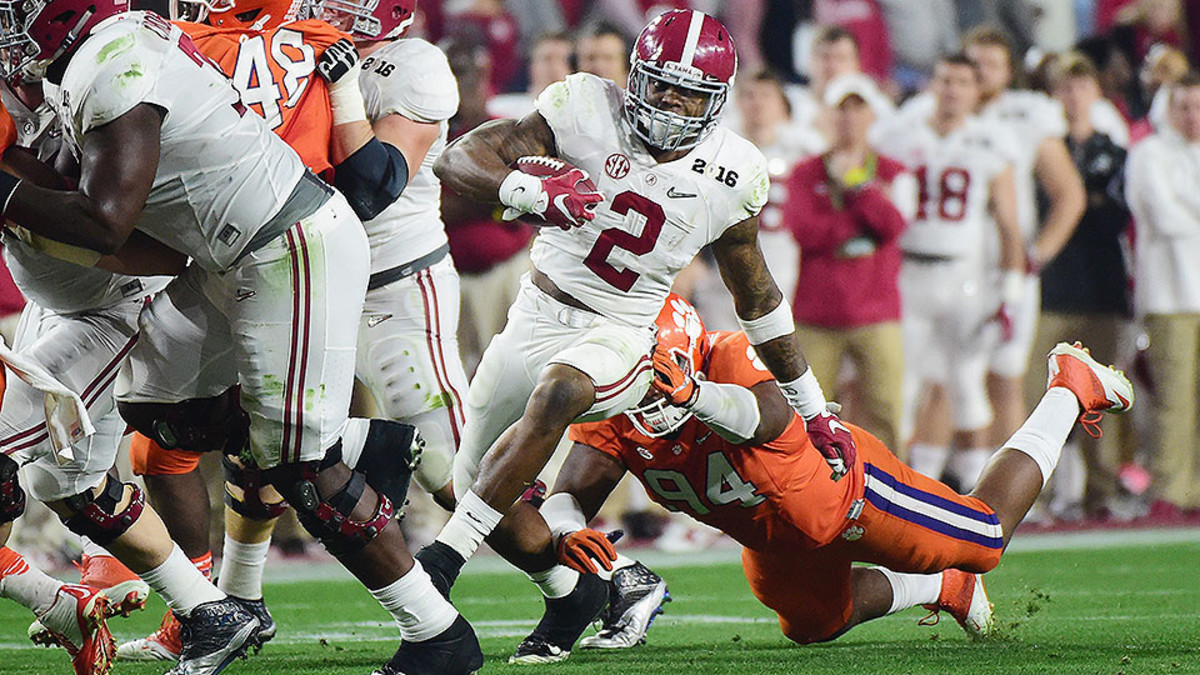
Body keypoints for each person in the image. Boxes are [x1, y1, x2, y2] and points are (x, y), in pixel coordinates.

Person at [0, 4, 479, 675]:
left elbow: (105, 221)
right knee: (156, 412)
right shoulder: (100, 56)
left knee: (300, 467)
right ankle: (360, 443)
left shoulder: (115, 63)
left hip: (288, 245)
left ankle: (438, 633)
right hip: (227, 257)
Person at [418, 6, 856, 661]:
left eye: (690, 90)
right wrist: (530, 191)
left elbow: (756, 295)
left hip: (625, 328)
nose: (671, 101)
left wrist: (810, 406)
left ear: (717, 100)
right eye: (661, 82)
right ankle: (584, 591)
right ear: (637, 74)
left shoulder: (732, 172)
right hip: (535, 311)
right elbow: (460, 158)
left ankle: (443, 560)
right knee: (469, 476)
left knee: (558, 393)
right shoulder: (584, 105)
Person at [534, 294, 1134, 648]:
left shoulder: (726, 356)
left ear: (689, 359)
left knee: (984, 538)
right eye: (641, 386)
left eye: (662, 380)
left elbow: (767, 418)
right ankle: (940, 586)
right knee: (812, 624)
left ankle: (1069, 389)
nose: (653, 401)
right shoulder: (614, 409)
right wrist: (567, 532)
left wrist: (694, 396)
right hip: (773, 533)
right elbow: (571, 493)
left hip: (848, 491)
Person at [873, 54, 1024, 489]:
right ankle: (909, 488)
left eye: (962, 82)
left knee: (966, 385)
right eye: (945, 79)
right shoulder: (900, 135)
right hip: (909, 273)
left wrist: (1011, 293)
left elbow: (1009, 224)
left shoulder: (991, 143)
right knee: (902, 388)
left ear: (977, 91)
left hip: (966, 278)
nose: (952, 90)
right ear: (932, 84)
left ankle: (980, 493)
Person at [962, 28, 1085, 456]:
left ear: (1009, 72)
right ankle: (952, 488)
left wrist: (1039, 253)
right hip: (952, 266)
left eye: (991, 65)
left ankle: (1004, 494)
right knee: (947, 379)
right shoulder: (939, 110)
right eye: (974, 63)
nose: (980, 74)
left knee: (1004, 377)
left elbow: (1069, 193)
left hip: (1005, 265)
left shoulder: (1027, 116)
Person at [787, 73, 909, 450]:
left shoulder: (893, 170)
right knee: (807, 413)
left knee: (886, 409)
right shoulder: (805, 173)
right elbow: (805, 231)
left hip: (877, 312)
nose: (849, 119)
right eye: (842, 110)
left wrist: (855, 190)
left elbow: (894, 225)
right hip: (817, 313)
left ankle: (894, 495)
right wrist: (862, 216)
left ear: (872, 115)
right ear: (827, 116)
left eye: (858, 109)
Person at [1034, 54, 1132, 520]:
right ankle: (1043, 495)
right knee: (1044, 394)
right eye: (1065, 88)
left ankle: (1102, 489)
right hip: (1051, 287)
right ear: (1055, 95)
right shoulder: (1041, 148)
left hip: (1102, 285)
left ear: (1095, 93)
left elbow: (1115, 213)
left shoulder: (1113, 151)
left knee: (1102, 393)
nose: (1073, 96)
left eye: (1081, 87)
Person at [1124, 73, 1200, 521]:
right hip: (1171, 295)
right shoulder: (1149, 154)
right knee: (1173, 398)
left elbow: (1176, 213)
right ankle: (1170, 489)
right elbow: (1162, 215)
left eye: (1197, 106)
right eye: (1184, 107)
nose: (1192, 116)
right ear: (1169, 110)